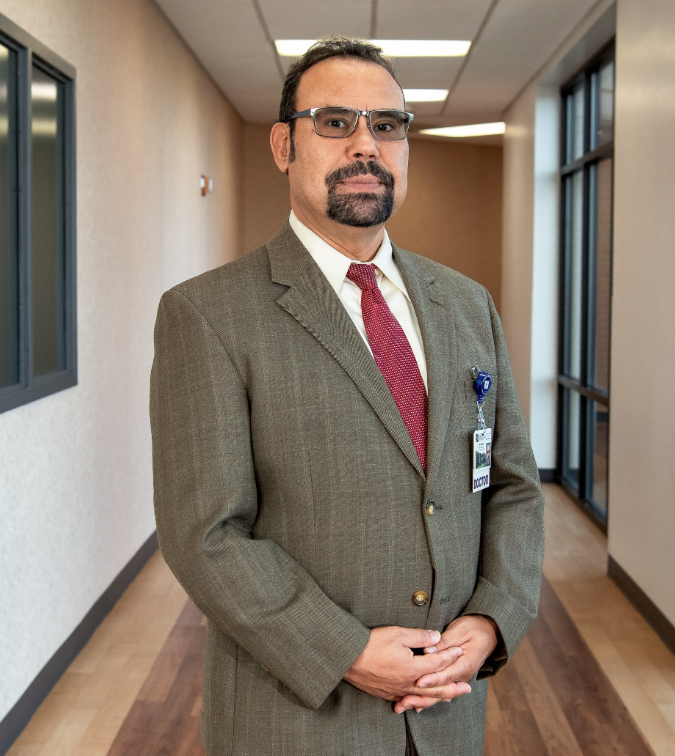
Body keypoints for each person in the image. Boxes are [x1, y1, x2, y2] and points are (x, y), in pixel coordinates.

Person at [150, 37, 544, 756]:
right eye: (335, 123)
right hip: (297, 717)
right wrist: (346, 651)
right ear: (284, 145)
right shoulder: (208, 315)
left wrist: (493, 619)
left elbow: (512, 484)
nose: (366, 145)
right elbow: (206, 534)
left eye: (387, 125)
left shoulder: (467, 305)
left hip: (448, 710)